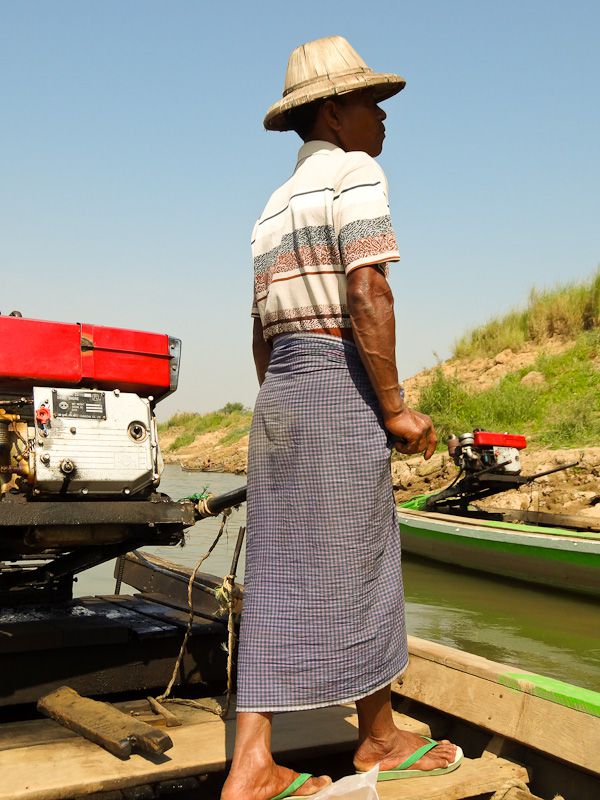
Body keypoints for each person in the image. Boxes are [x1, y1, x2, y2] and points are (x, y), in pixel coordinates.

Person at [221, 36, 462, 800]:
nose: (383, 121)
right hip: (334, 380)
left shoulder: (271, 206)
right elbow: (368, 293)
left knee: (278, 572)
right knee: (363, 560)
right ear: (334, 110)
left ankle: (255, 759)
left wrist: (281, 407)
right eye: (371, 105)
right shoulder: (357, 174)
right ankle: (380, 742)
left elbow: (260, 334)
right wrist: (393, 408)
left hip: (280, 395)